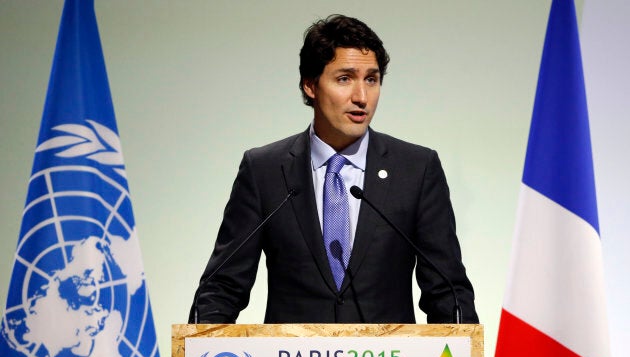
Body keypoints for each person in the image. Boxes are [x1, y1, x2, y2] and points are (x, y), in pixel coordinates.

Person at [189, 14, 479, 325]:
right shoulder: (265, 171)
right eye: (345, 79)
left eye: (371, 79)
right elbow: (222, 288)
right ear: (310, 85)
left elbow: (447, 292)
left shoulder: (416, 170)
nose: (361, 97)